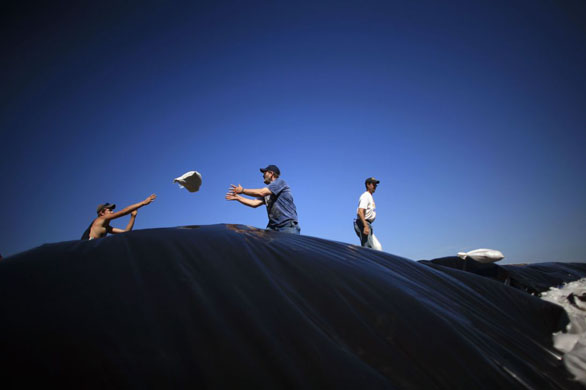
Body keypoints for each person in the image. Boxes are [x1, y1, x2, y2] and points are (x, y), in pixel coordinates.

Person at [226, 165, 300, 234]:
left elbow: (261, 192)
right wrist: (238, 198)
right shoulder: (267, 191)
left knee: (287, 248)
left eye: (265, 173)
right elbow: (254, 203)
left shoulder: (280, 183)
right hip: (272, 227)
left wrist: (243, 190)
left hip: (286, 225)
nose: (263, 175)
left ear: (271, 173)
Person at [81, 194, 157, 240]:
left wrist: (133, 217)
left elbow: (126, 233)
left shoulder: (107, 228)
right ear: (102, 213)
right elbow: (123, 212)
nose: (112, 212)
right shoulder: (100, 219)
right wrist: (143, 203)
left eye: (112, 210)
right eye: (109, 210)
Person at [354, 177, 381, 249]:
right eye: (373, 184)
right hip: (363, 223)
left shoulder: (369, 196)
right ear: (368, 185)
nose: (375, 186)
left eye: (376, 185)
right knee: (368, 248)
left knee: (378, 247)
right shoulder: (366, 196)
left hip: (367, 224)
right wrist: (365, 226)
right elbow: (360, 211)